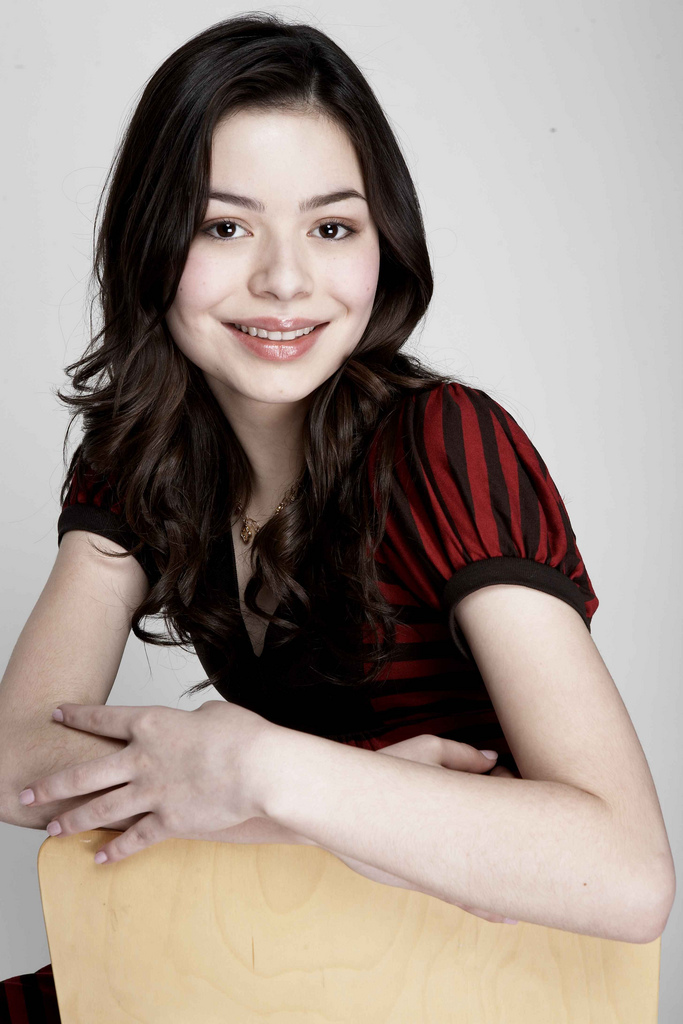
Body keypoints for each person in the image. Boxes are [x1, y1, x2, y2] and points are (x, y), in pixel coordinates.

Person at [0, 12, 674, 1021]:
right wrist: (294, 800)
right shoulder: (140, 456)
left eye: (330, 228)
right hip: (269, 958)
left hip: (464, 980)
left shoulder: (444, 443)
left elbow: (626, 873)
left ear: (381, 243)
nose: (284, 280)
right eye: (224, 227)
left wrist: (264, 767)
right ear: (152, 242)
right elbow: (21, 761)